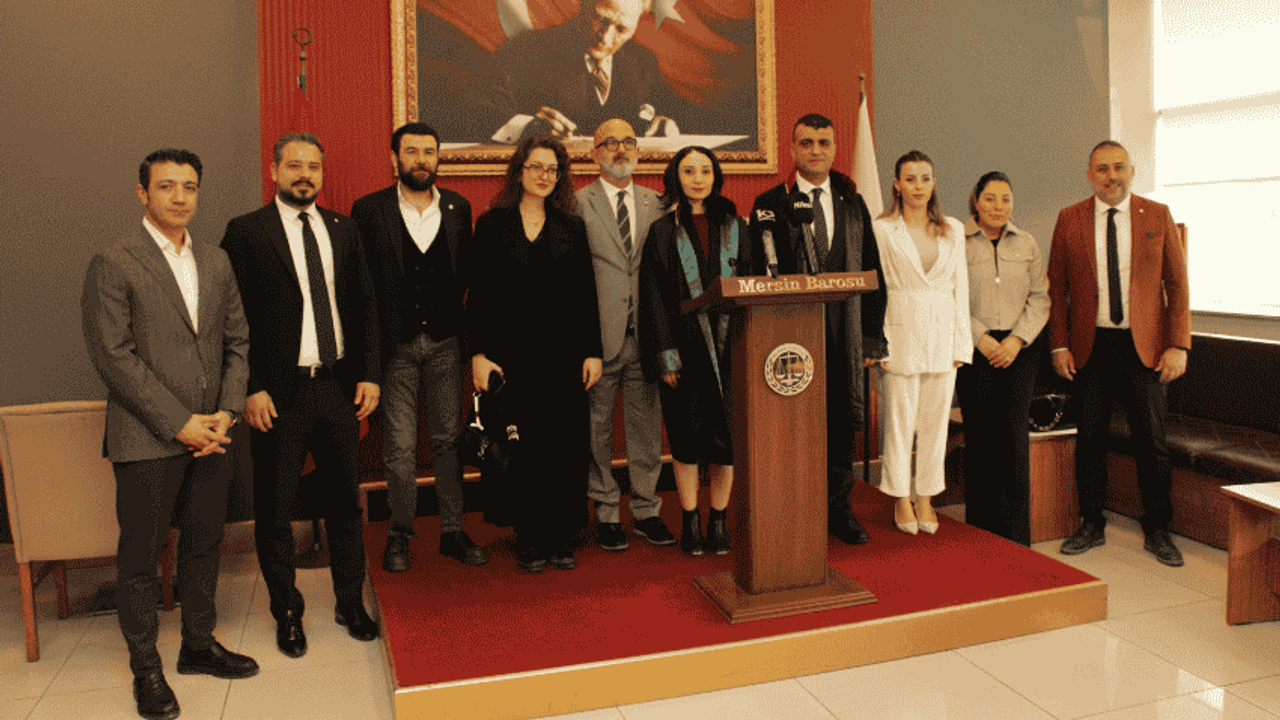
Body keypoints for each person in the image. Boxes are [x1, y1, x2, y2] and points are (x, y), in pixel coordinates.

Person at [82, 149, 257, 720]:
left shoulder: (215, 259)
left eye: (189, 187)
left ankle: (198, 646)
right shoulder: (114, 261)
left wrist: (227, 412)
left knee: (204, 544)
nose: (180, 196)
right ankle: (146, 670)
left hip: (214, 434)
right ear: (143, 193)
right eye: (166, 186)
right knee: (140, 557)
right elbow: (114, 356)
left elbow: (237, 342)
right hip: (147, 437)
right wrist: (180, 423)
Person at [220, 132, 382, 659]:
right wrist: (250, 387)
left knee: (345, 504)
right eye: (294, 165)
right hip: (278, 395)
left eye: (313, 165)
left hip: (336, 387)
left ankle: (349, 602)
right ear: (274, 171)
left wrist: (369, 374)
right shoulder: (246, 231)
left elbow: (364, 304)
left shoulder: (344, 228)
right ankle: (287, 612)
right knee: (275, 510)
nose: (304, 174)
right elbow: (231, 318)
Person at [351, 122, 487, 572]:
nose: (421, 159)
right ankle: (400, 534)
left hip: (446, 342)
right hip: (396, 346)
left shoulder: (457, 207)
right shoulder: (369, 210)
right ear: (395, 159)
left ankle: (453, 530)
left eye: (429, 151)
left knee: (448, 440)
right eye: (412, 151)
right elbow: (362, 285)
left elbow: (467, 277)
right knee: (401, 447)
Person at [1049, 140, 1190, 567]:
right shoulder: (1070, 218)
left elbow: (1178, 285)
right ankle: (1091, 522)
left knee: (1152, 443)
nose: (1111, 176)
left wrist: (1178, 344)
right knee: (1090, 439)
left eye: (1118, 167)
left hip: (1145, 348)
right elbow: (1057, 288)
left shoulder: (1157, 215)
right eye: (1102, 169)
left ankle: (1158, 529)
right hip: (1091, 347)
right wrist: (1059, 344)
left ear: (1131, 170)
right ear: (1090, 175)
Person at [467, 135, 603, 572]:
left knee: (563, 446)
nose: (544, 176)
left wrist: (593, 352)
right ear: (519, 171)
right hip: (510, 357)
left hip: (563, 357)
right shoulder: (492, 224)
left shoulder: (572, 226)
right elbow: (479, 295)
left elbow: (586, 295)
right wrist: (478, 354)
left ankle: (560, 534)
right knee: (520, 446)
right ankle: (528, 534)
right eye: (536, 167)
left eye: (552, 169)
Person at [750, 113, 887, 546]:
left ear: (834, 148)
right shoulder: (769, 203)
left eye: (823, 142)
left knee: (841, 426)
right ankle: (794, 510)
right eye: (806, 142)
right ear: (792, 149)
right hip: (789, 336)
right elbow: (755, 271)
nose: (815, 150)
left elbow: (873, 270)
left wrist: (872, 337)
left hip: (846, 334)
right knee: (792, 425)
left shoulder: (853, 204)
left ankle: (839, 510)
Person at [639, 145, 752, 555]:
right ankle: (690, 519)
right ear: (676, 177)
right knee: (685, 439)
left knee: (727, 442)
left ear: (716, 176)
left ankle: (718, 519)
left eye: (705, 170)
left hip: (731, 350)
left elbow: (752, 285)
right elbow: (652, 297)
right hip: (682, 350)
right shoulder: (662, 231)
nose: (698, 178)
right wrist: (665, 356)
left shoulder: (738, 227)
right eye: (689, 171)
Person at [576, 118, 675, 552]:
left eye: (629, 142)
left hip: (645, 335)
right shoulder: (577, 203)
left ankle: (647, 511)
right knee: (595, 428)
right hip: (597, 338)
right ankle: (606, 512)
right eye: (611, 143)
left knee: (646, 428)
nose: (621, 149)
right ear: (594, 153)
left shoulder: (658, 203)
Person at [871, 150, 971, 536]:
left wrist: (961, 345)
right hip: (899, 331)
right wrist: (877, 344)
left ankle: (926, 496)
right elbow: (876, 290)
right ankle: (900, 497)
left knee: (935, 424)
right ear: (897, 184)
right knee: (899, 423)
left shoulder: (953, 229)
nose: (918, 186)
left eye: (925, 178)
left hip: (943, 333)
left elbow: (960, 288)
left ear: (934, 183)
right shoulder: (883, 229)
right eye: (910, 179)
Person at [957, 171, 1049, 546]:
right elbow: (949, 295)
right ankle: (981, 531)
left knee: (1013, 440)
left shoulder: (1026, 242)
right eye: (990, 198)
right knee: (980, 439)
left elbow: (1040, 298)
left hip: (1018, 352)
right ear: (976, 201)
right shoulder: (957, 241)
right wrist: (980, 338)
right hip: (974, 349)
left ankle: (1016, 536)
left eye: (1006, 199)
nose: (999, 206)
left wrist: (1015, 340)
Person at [478, 0, 682, 143]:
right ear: (583, 6)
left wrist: (666, 123)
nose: (605, 36)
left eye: (621, 29)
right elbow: (477, 111)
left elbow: (674, 111)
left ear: (635, 27)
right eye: (600, 18)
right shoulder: (525, 51)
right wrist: (528, 127)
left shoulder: (641, 62)